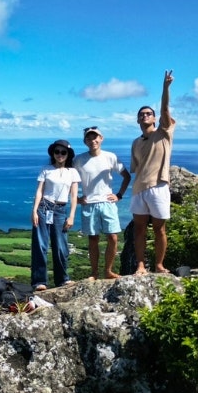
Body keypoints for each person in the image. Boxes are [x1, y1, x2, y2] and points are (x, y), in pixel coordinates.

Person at [130, 69, 176, 275]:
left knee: (159, 229)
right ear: (138, 121)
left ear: (155, 118)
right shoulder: (136, 143)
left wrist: (165, 88)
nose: (144, 116)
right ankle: (141, 265)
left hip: (159, 186)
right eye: (141, 115)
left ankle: (158, 265)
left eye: (148, 114)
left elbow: (165, 109)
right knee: (139, 229)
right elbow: (136, 168)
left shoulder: (164, 133)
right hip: (140, 188)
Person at [75, 127, 131, 280]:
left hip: (107, 203)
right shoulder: (78, 160)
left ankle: (108, 270)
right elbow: (68, 179)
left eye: (95, 137)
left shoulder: (110, 156)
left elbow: (126, 176)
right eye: (89, 138)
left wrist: (119, 195)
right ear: (85, 141)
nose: (92, 140)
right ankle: (94, 273)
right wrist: (76, 198)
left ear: (101, 138)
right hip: (89, 203)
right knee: (93, 239)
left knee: (113, 237)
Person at [30, 139, 80, 291]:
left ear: (68, 154)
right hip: (44, 207)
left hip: (60, 210)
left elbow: (74, 196)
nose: (60, 155)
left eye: (63, 152)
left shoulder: (73, 172)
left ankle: (63, 279)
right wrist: (34, 210)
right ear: (53, 153)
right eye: (57, 152)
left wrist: (71, 216)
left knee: (61, 246)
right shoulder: (46, 169)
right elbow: (39, 190)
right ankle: (39, 282)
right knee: (40, 245)